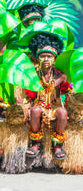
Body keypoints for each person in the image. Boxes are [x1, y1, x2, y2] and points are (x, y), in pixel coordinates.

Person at [24, 32, 71, 160]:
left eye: (49, 56)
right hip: (39, 104)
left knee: (62, 112)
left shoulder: (61, 75)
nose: (46, 59)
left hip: (54, 106)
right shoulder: (32, 74)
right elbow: (27, 93)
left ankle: (57, 145)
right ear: (37, 58)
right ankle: (35, 143)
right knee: (35, 110)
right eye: (43, 56)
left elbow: (67, 93)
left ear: (55, 58)